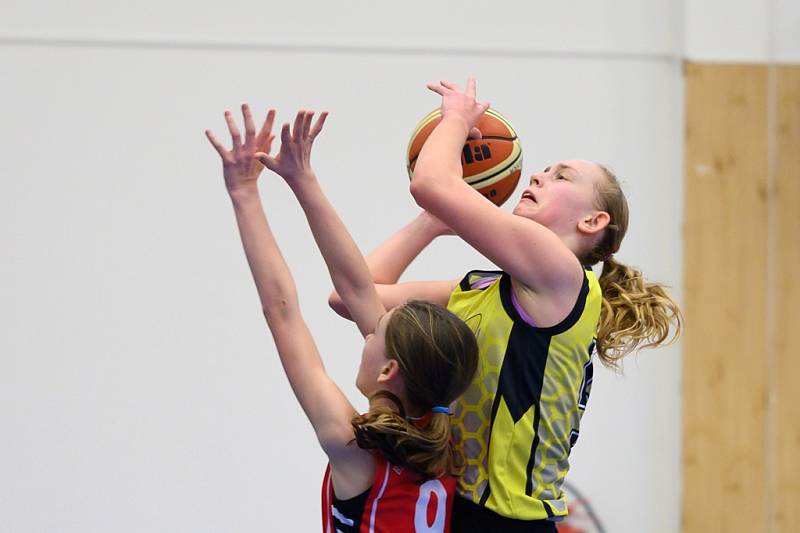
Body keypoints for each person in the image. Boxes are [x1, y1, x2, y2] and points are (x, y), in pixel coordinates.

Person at [329, 79, 683, 532]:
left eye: (561, 176)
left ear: (592, 221)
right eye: (545, 169)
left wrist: (457, 117)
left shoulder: (561, 275)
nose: (537, 175)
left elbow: (430, 181)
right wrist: (430, 223)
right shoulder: (482, 289)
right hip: (458, 508)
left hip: (509, 520)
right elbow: (352, 295)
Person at [205, 104, 479, 533]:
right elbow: (354, 289)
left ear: (390, 369)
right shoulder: (455, 442)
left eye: (372, 335)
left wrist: (245, 192)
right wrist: (302, 181)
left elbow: (283, 311)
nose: (365, 335)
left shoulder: (353, 445)